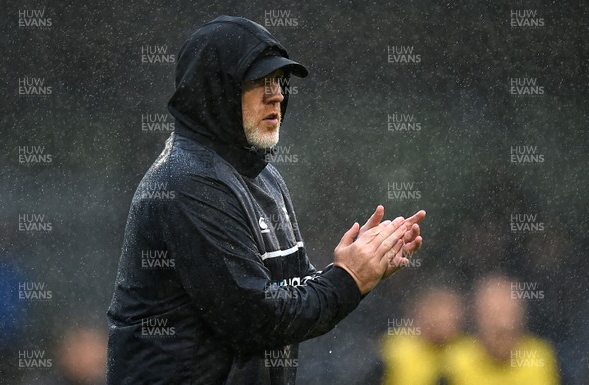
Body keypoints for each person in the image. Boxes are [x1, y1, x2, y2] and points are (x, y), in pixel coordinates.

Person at [106, 15, 425, 385]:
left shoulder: (264, 176)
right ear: (215, 91)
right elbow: (256, 318)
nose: (276, 94)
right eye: (258, 81)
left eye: (279, 81)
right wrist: (347, 279)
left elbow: (290, 294)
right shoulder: (188, 182)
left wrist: (357, 265)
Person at [445, 275, 560, 385]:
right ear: (477, 317)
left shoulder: (538, 357)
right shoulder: (456, 360)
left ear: (521, 317)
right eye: (493, 315)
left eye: (508, 313)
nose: (502, 324)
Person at [381, 287, 464, 385]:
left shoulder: (468, 352)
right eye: (435, 311)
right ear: (421, 312)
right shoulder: (396, 349)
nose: (442, 318)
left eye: (450, 313)